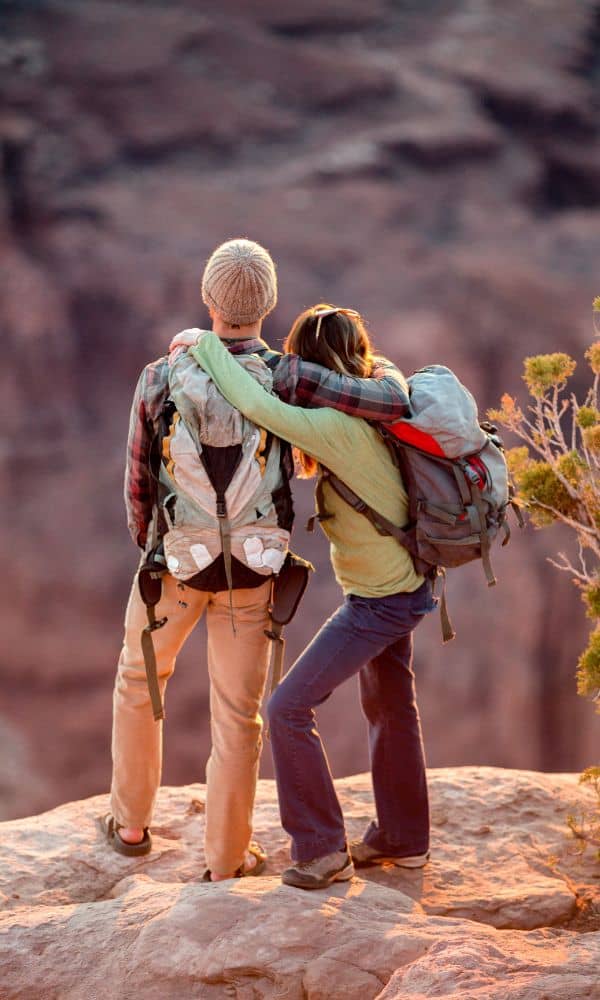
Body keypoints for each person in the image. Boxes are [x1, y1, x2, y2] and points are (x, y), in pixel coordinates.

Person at [105, 240, 411, 883]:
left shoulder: (161, 375)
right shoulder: (288, 375)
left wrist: (155, 554)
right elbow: (387, 403)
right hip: (254, 570)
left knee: (140, 680)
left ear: (208, 299)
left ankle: (131, 826)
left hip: (175, 568)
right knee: (237, 716)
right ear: (268, 304)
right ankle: (224, 861)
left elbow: (137, 480)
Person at [188, 305, 437, 890]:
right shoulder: (382, 387)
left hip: (381, 599)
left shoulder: (334, 426)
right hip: (409, 581)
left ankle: (322, 848)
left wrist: (206, 347)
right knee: (391, 707)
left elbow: (258, 407)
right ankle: (405, 840)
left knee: (286, 709)